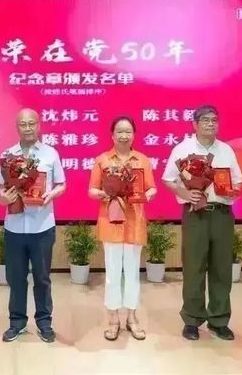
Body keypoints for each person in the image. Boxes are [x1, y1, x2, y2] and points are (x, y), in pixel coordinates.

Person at [162, 105, 242, 341]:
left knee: (221, 268)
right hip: (195, 214)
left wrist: (232, 190)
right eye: (205, 120)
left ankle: (219, 320)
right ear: (195, 124)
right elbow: (168, 179)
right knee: (194, 267)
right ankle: (192, 320)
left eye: (214, 120)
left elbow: (238, 181)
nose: (211, 124)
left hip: (222, 214)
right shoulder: (183, 149)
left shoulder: (226, 150)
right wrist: (185, 193)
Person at [0, 108, 66, 343]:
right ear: (17, 127)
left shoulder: (50, 153)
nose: (27, 128)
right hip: (14, 227)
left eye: (31, 123)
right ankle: (17, 322)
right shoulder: (7, 155)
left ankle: (44, 322)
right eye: (23, 124)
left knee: (42, 278)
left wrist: (51, 195)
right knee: (16, 278)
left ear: (39, 125)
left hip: (42, 226)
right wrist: (2, 198)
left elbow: (61, 184)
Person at [88, 116, 157, 341]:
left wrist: (146, 195)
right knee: (112, 273)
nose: (124, 135)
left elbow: (152, 188)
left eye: (128, 131)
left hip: (135, 222)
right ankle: (113, 320)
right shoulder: (103, 160)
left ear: (134, 135)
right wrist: (104, 194)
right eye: (119, 131)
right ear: (112, 135)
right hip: (111, 222)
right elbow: (92, 190)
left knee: (133, 273)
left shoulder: (142, 160)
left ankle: (132, 318)